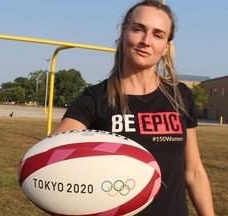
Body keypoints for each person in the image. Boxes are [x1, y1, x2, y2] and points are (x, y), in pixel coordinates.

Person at [51, 0, 214, 215]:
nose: (146, 41)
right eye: (138, 29)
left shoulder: (181, 95)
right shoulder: (95, 98)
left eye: (158, 34)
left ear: (166, 47)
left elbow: (193, 172)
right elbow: (52, 157)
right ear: (123, 32)